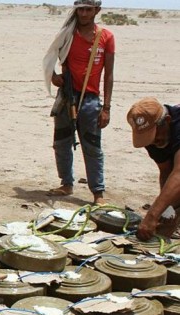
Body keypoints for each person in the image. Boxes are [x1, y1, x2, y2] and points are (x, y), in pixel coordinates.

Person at [43, 0, 114, 205]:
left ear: (96, 11)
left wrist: (106, 108)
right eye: (80, 9)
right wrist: (54, 77)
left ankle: (98, 193)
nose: (83, 14)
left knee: (92, 146)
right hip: (66, 96)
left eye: (88, 10)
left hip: (91, 101)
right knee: (61, 143)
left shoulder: (106, 37)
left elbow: (109, 75)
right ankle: (66, 184)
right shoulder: (67, 34)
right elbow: (51, 57)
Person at [127, 98, 180, 241]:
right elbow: (166, 172)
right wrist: (167, 208)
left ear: (167, 121)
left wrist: (152, 215)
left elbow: (178, 175)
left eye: (155, 135)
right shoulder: (152, 139)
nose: (153, 141)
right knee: (164, 221)